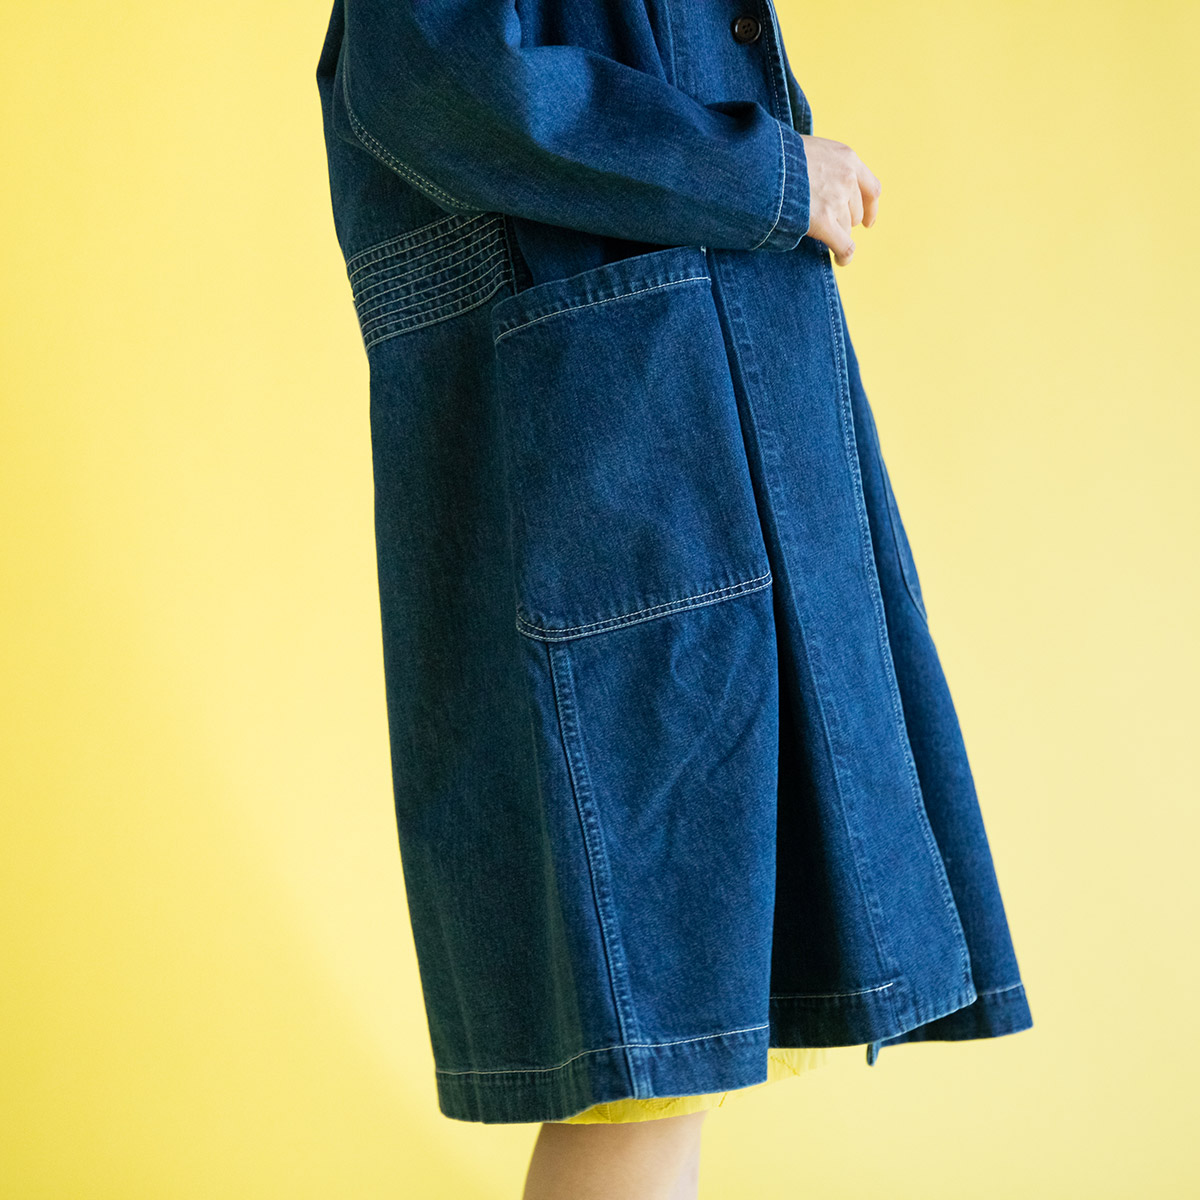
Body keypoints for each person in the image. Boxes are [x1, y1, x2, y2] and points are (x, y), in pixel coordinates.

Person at [315, 1, 1034, 1195]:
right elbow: (434, 74)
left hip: (691, 442)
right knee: (647, 1069)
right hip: (624, 468)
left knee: (675, 1062)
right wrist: (766, 176)